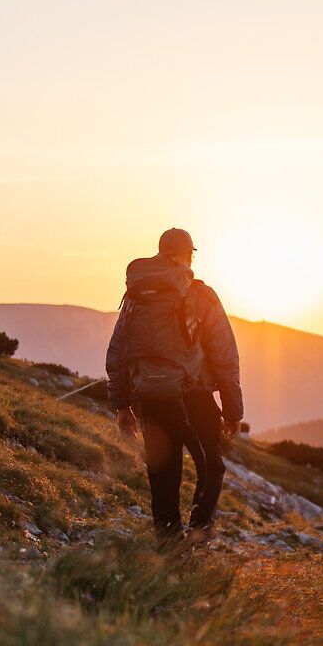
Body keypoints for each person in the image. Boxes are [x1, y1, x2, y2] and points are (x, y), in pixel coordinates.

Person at [104, 228, 243, 539]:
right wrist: (233, 411)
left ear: (160, 253)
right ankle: (198, 534)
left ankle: (169, 543)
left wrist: (123, 406)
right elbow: (224, 355)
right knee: (211, 467)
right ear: (189, 255)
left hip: (150, 397)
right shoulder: (202, 295)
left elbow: (117, 351)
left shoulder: (136, 295)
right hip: (194, 396)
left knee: (163, 473)